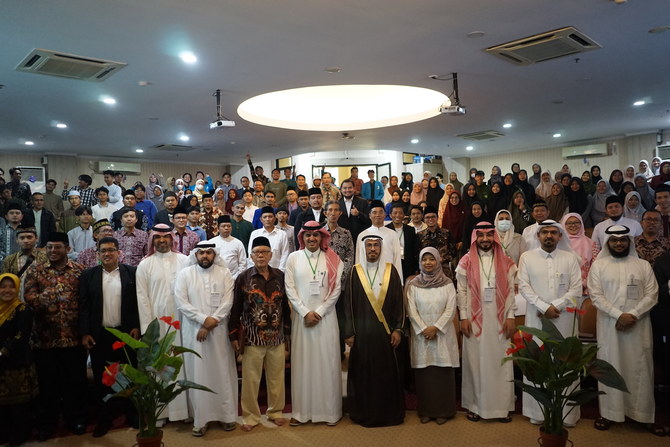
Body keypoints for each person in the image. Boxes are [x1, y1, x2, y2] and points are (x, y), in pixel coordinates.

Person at [587, 225, 665, 436]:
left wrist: (633, 314)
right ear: (607, 243)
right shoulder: (599, 266)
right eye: (614, 240)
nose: (618, 243)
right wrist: (618, 315)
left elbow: (652, 295)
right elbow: (595, 295)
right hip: (610, 327)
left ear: (629, 242)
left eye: (622, 240)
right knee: (610, 366)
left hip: (638, 327)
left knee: (641, 369)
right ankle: (609, 413)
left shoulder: (643, 265)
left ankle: (644, 416)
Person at [24, 232, 88, 440]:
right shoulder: (36, 270)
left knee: (74, 382)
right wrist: (49, 296)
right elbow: (29, 298)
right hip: (45, 339)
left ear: (68, 249)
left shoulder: (79, 271)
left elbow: (86, 303)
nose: (53, 251)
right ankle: (47, 424)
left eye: (57, 247)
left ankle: (75, 419)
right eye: (49, 247)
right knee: (47, 385)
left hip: (73, 338)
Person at [518, 220, 582, 427]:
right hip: (537, 318)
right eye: (544, 232)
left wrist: (555, 306)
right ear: (538, 236)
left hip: (564, 319)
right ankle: (536, 412)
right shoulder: (527, 257)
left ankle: (567, 415)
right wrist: (543, 307)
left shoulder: (570, 258)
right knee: (539, 360)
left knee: (564, 361)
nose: (549, 236)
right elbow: (524, 287)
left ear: (560, 236)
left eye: (553, 232)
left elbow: (576, 289)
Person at [79, 236, 140, 437]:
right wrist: (85, 332)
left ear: (118, 252)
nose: (107, 254)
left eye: (111, 250)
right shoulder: (88, 275)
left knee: (129, 375)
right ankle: (104, 419)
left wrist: (136, 327)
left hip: (125, 333)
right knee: (102, 379)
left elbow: (137, 305)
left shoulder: (131, 273)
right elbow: (84, 307)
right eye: (103, 250)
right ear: (97, 254)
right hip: (100, 335)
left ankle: (132, 414)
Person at [175, 242, 238, 436]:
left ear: (214, 254)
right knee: (198, 372)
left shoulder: (224, 273)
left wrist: (213, 321)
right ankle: (200, 420)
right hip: (194, 330)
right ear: (195, 254)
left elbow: (229, 301)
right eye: (201, 252)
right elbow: (181, 302)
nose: (205, 256)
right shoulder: (185, 274)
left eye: (209, 252)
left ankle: (226, 416)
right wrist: (203, 320)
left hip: (218, 331)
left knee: (221, 371)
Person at [284, 221, 344, 426]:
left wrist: (318, 312)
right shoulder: (293, 258)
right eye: (307, 236)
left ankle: (329, 413)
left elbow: (336, 291)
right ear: (302, 237)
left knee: (327, 363)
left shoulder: (334, 259)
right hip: (301, 322)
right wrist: (304, 312)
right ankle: (301, 413)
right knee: (302, 365)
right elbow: (289, 289)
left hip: (326, 319)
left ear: (322, 237)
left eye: (315, 235)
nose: (311, 239)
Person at [229, 236, 291, 432]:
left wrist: (288, 336)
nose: (261, 255)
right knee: (251, 379)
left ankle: (275, 412)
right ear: (251, 256)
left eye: (265, 252)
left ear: (271, 254)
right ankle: (250, 416)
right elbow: (235, 309)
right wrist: (232, 336)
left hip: (277, 337)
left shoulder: (281, 276)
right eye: (257, 252)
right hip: (252, 338)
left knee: (276, 377)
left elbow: (287, 309)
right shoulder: (243, 278)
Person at [457, 222, 517, 423]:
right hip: (474, 319)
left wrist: (510, 317)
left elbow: (510, 292)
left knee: (501, 363)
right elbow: (462, 291)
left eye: (488, 235)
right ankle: (475, 406)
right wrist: (463, 316)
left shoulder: (507, 262)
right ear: (475, 237)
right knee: (475, 362)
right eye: (480, 235)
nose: (485, 239)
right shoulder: (466, 261)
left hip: (500, 320)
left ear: (494, 237)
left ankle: (502, 408)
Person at [343, 235, 405, 427]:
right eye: (369, 246)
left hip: (385, 336)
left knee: (385, 375)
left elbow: (398, 303)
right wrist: (349, 332)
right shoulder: (355, 272)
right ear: (364, 249)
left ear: (381, 248)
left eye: (376, 246)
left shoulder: (390, 271)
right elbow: (348, 305)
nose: (372, 249)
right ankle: (364, 412)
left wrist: (397, 329)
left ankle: (387, 413)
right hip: (362, 336)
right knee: (363, 374)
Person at [136, 223, 189, 424]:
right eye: (158, 238)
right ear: (153, 240)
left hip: (183, 322)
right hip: (157, 323)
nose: (162, 241)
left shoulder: (184, 261)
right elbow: (142, 299)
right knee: (160, 367)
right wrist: (149, 331)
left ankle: (185, 412)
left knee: (183, 364)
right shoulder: (145, 264)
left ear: (172, 239)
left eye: (166, 237)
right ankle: (162, 413)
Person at [406, 247, 459, 425]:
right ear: (420, 262)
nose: (428, 263)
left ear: (438, 261)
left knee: (442, 372)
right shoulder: (413, 285)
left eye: (432, 259)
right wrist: (423, 328)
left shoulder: (448, 283)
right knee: (425, 375)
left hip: (442, 335)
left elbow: (451, 309)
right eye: (424, 260)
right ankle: (426, 411)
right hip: (422, 336)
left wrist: (435, 327)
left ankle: (444, 411)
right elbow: (411, 310)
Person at [0, 273, 38, 446]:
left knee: (19, 404)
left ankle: (20, 434)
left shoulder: (23, 309)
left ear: (17, 288)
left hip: (16, 362)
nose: (7, 290)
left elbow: (21, 335)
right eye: (3, 286)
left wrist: (3, 352)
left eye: (11, 286)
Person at [355, 200, 404, 280]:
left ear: (385, 215)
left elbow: (397, 259)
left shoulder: (392, 234)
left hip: (388, 277)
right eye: (374, 212)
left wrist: (399, 281)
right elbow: (358, 259)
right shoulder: (362, 235)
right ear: (370, 215)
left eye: (381, 212)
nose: (378, 215)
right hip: (367, 278)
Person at [560, 213, 599, 294]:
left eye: (576, 222)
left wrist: (584, 284)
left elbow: (596, 266)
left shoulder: (591, 243)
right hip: (563, 286)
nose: (573, 225)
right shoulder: (559, 244)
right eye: (569, 223)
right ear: (563, 225)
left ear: (581, 224)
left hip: (585, 287)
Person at [417, 205, 456, 279]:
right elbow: (418, 254)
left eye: (433, 217)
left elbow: (454, 251)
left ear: (437, 218)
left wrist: (443, 258)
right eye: (427, 217)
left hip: (444, 271)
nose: (430, 219)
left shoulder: (446, 233)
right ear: (424, 219)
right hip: (426, 271)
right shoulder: (420, 235)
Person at [248, 206, 290, 271]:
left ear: (274, 218)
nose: (268, 219)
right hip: (258, 272)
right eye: (265, 217)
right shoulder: (255, 234)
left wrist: (280, 271)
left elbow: (285, 254)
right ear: (261, 219)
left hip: (276, 272)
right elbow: (251, 254)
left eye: (270, 217)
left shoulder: (282, 234)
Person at [386, 203, 419, 280]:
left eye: (400, 213)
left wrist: (416, 267)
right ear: (390, 215)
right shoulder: (386, 230)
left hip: (407, 264)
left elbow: (415, 250)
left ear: (404, 215)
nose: (398, 215)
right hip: (391, 264)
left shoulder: (410, 230)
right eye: (395, 213)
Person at [337, 180, 370, 246]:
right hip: (341, 238)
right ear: (341, 190)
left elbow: (369, 221)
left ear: (354, 188)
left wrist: (358, 214)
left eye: (350, 188)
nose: (347, 190)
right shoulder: (337, 204)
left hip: (359, 237)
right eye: (345, 188)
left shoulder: (363, 202)